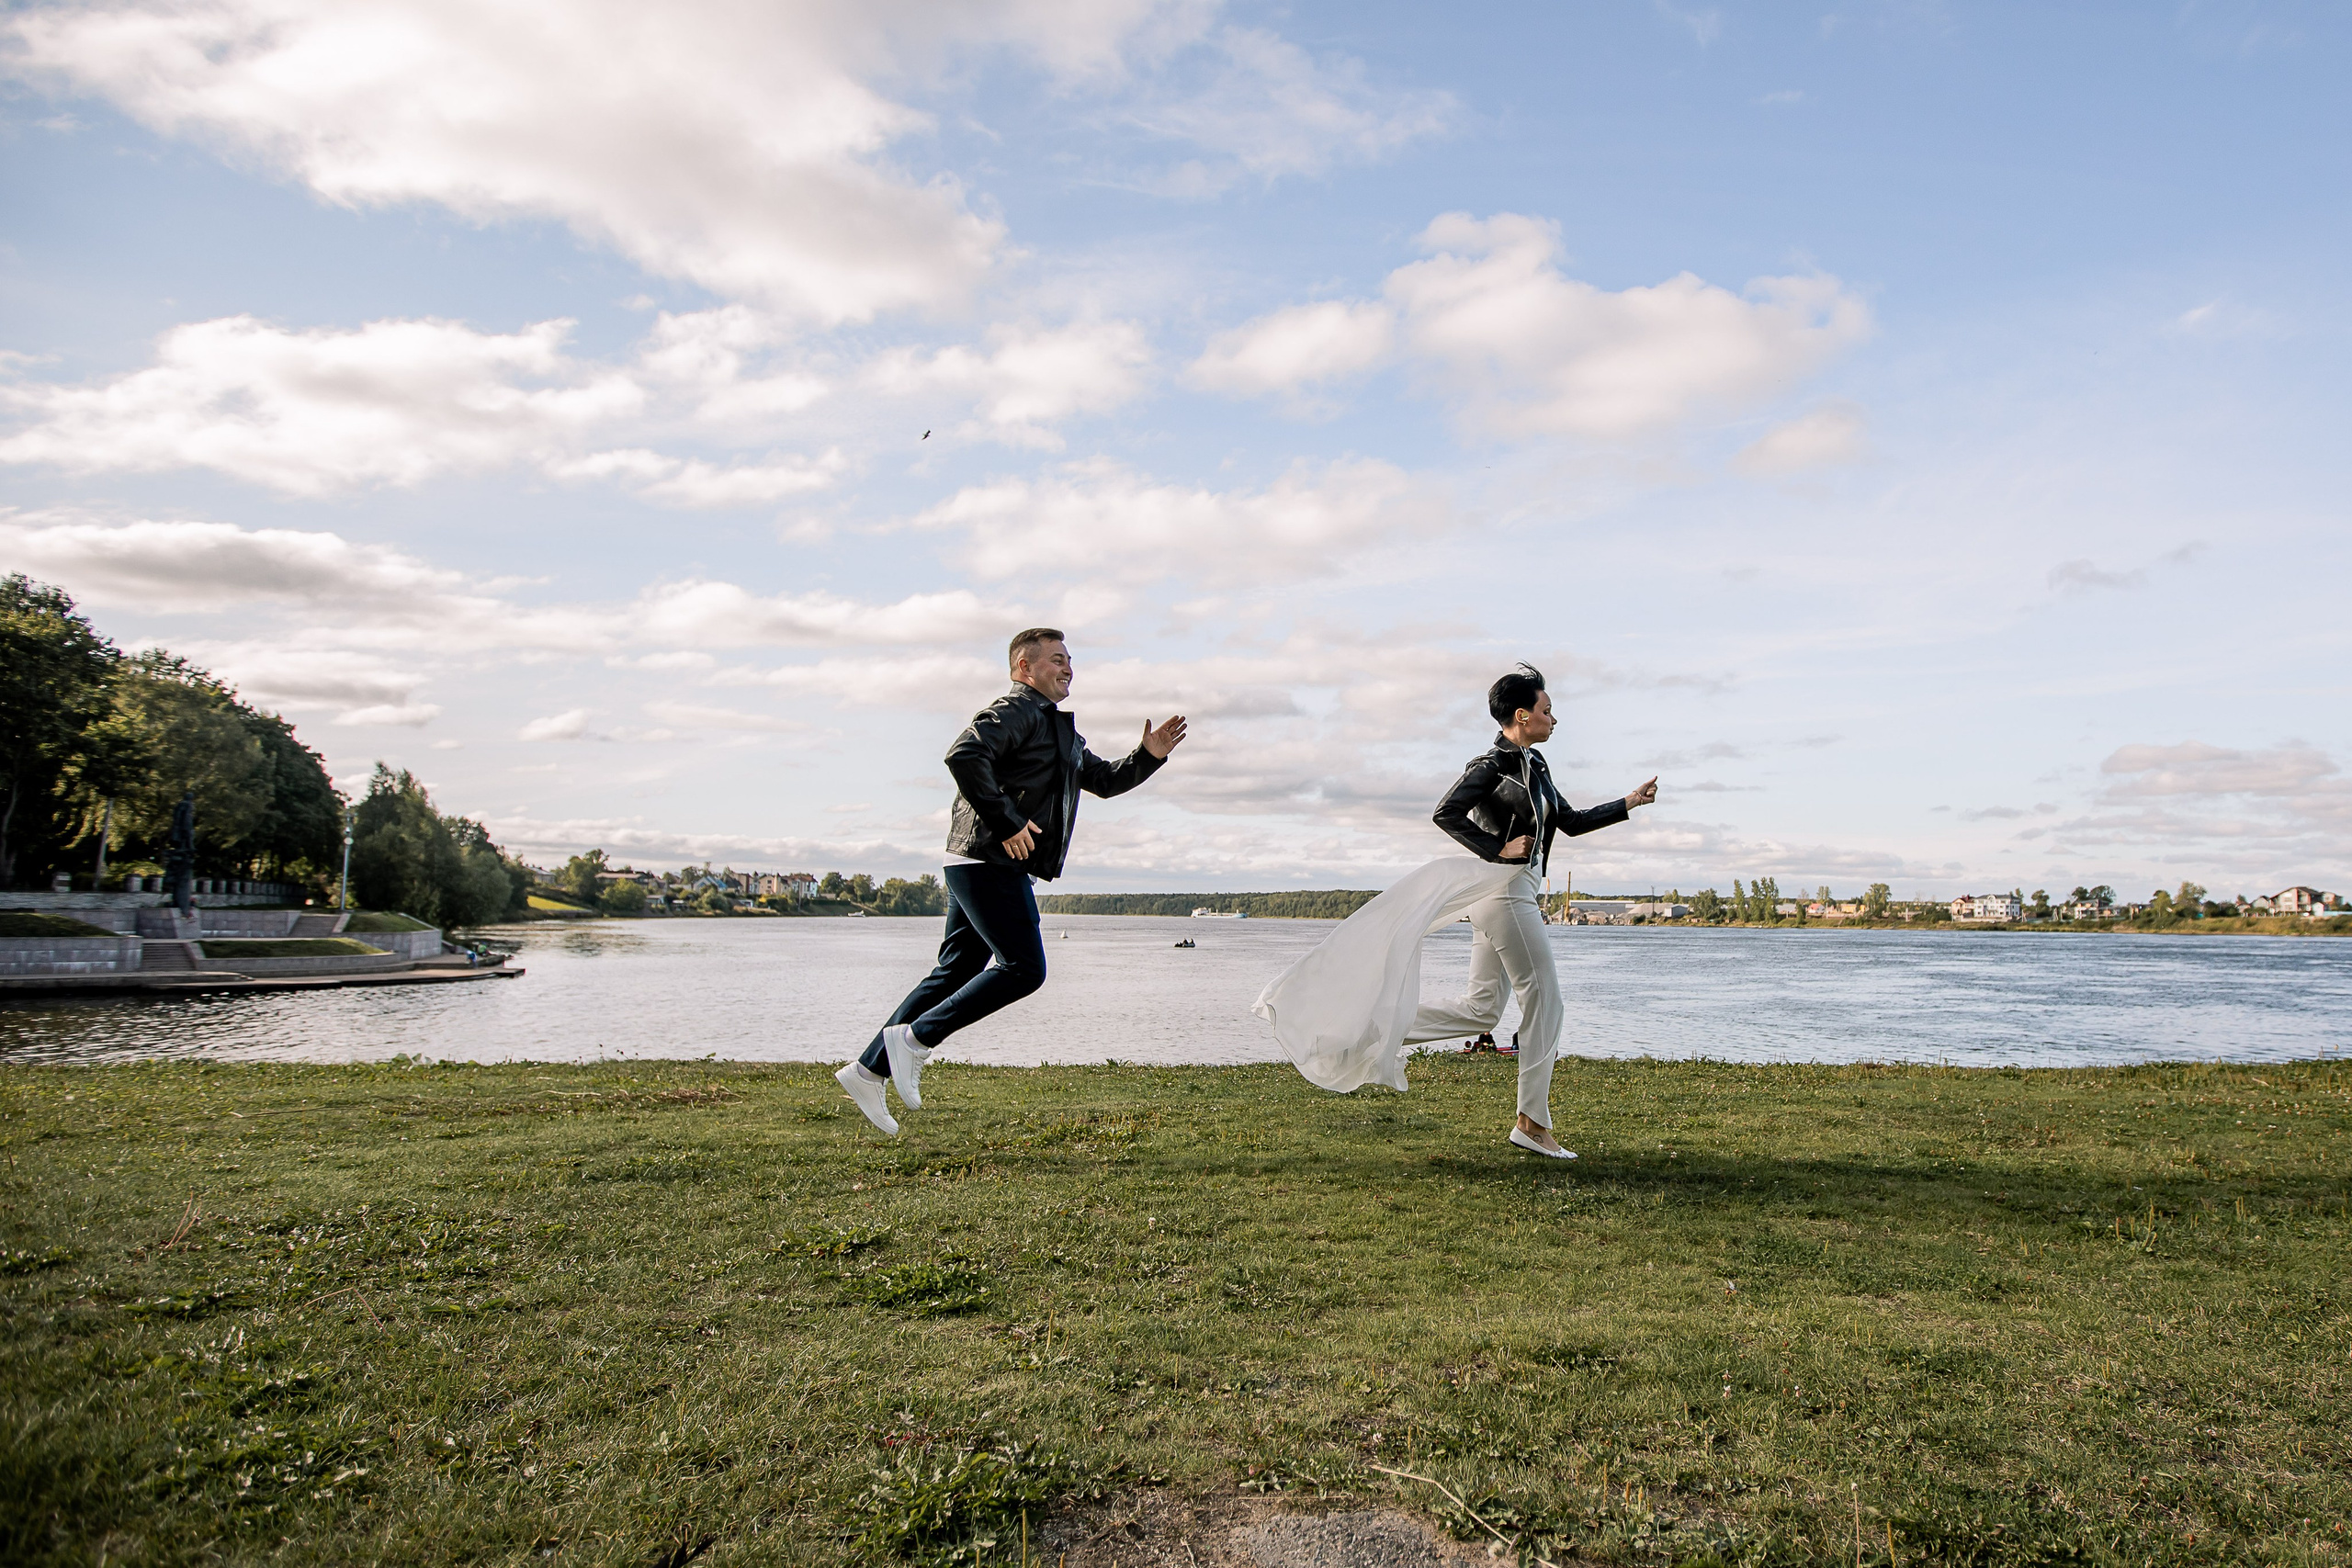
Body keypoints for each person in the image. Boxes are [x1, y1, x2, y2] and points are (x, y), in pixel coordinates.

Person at [1254, 663, 1656, 1158]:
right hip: (1502, 890)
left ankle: (1364, 1030)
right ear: (1521, 715)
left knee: (1481, 1009)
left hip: (1516, 891)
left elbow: (1569, 822)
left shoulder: (1538, 766)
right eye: (1548, 710)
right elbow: (1445, 813)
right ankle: (1531, 1124)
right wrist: (1498, 850)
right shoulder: (1490, 765)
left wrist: (1629, 802)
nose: (1556, 719)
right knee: (1546, 1000)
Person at [837, 628, 1188, 1134]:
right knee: (1024, 969)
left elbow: (1106, 782)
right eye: (1056, 660)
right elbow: (964, 754)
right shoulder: (1017, 708)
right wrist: (1009, 822)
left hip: (975, 859)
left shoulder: (1057, 728)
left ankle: (869, 1071)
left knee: (957, 969)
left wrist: (1148, 754)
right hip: (988, 857)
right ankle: (914, 1041)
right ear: (1024, 667)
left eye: (1070, 660)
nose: (1068, 668)